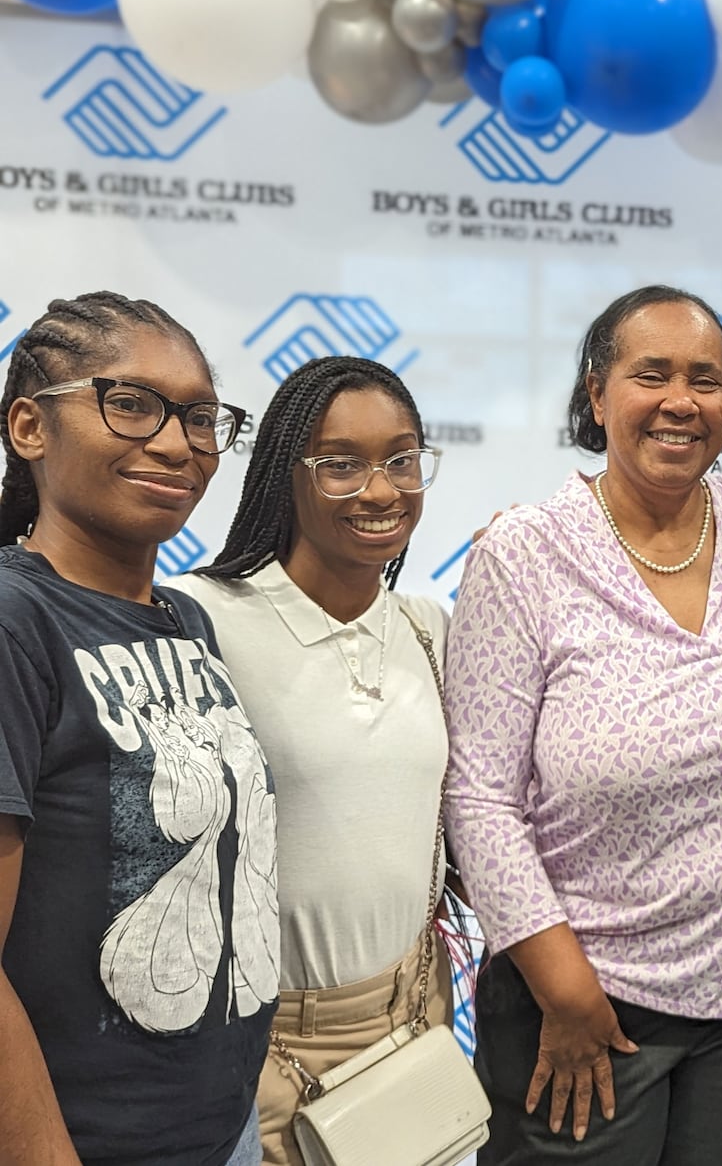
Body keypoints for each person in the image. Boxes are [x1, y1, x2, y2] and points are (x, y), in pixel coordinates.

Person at [442, 285, 722, 1166]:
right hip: (591, 1007)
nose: (680, 401)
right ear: (596, 395)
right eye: (649, 373)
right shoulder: (526, 552)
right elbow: (479, 796)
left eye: (707, 379)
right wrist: (565, 990)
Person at [0, 292, 278, 1166]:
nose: (176, 443)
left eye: (201, 417)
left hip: (219, 1130)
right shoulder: (16, 619)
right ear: (29, 428)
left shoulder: (186, 619)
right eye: (130, 404)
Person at [164, 356, 451, 1166]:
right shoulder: (201, 618)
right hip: (263, 1043)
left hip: (412, 1022)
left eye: (401, 458)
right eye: (341, 464)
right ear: (281, 476)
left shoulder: (431, 626)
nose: (381, 489)